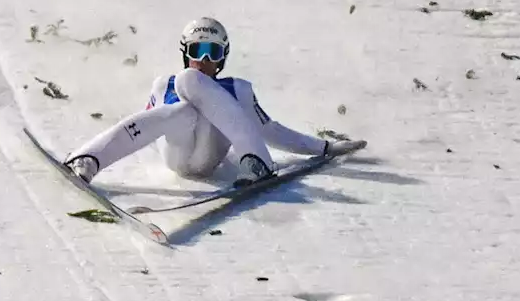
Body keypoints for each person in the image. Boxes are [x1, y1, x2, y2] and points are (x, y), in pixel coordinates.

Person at [63, 17, 366, 186]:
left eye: (213, 52)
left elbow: (271, 130)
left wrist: (323, 148)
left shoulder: (238, 90)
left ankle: (256, 161)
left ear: (223, 57)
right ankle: (89, 160)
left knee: (188, 85)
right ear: (186, 52)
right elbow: (143, 129)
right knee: (182, 102)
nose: (205, 60)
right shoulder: (163, 85)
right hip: (177, 152)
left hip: (210, 155)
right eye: (198, 51)